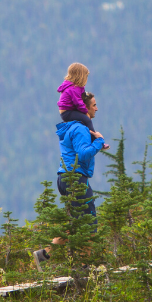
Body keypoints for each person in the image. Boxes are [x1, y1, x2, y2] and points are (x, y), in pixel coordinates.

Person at [34, 91, 104, 267]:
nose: (97, 108)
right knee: (88, 223)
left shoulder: (71, 127)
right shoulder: (81, 128)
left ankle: (43, 255)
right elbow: (83, 154)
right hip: (76, 179)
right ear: (85, 109)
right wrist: (99, 142)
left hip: (65, 177)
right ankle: (84, 267)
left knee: (75, 222)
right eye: (94, 105)